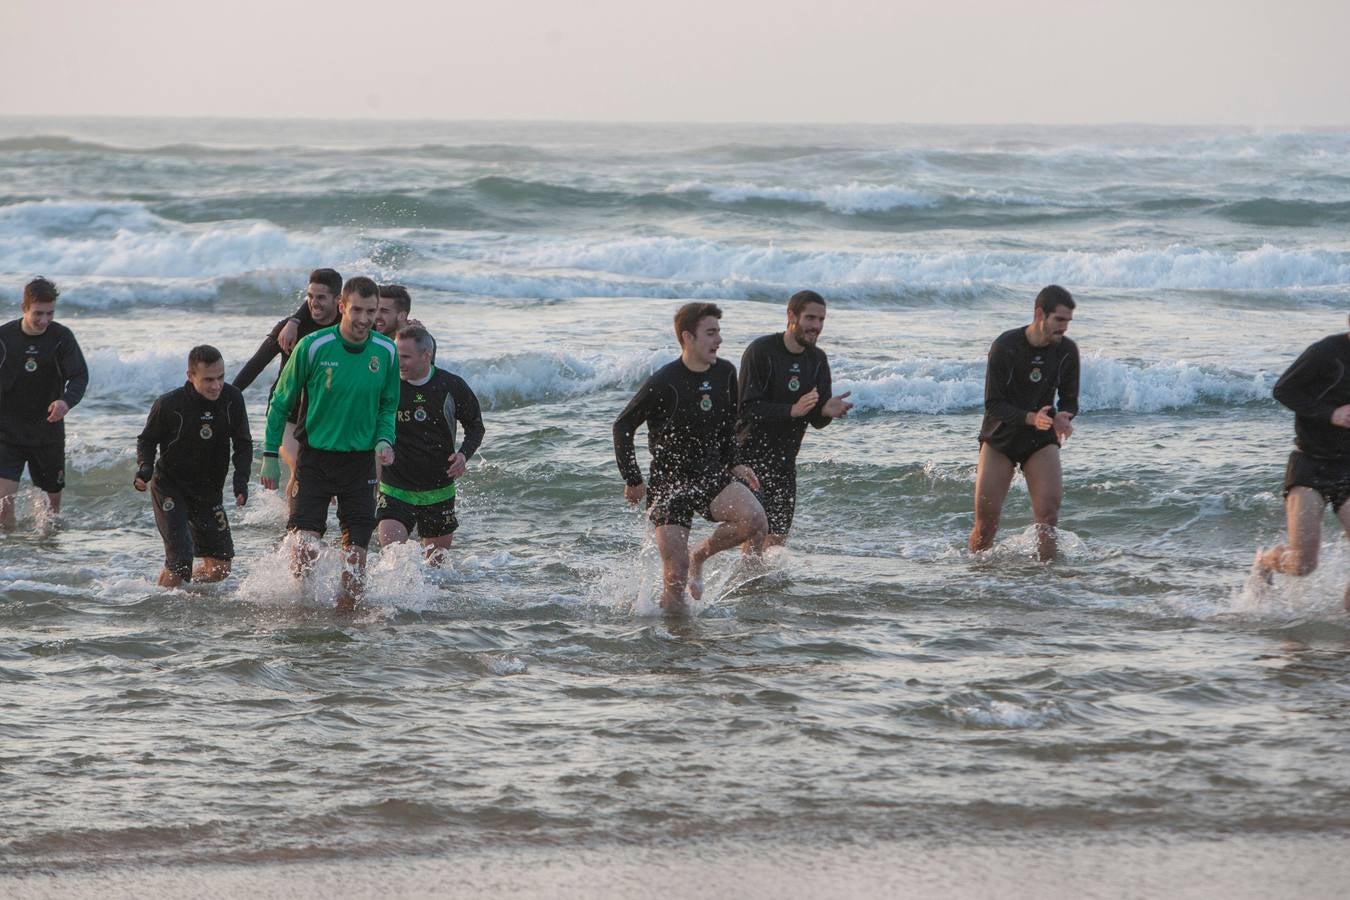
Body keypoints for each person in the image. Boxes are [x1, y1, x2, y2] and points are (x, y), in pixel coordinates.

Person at [613, 302, 766, 614]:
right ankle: (676, 648)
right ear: (688, 337)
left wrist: (734, 461)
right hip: (669, 483)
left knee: (755, 520)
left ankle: (701, 555)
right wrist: (633, 478)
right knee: (675, 574)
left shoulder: (725, 373)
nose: (719, 340)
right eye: (711, 333)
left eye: (719, 332)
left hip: (708, 474)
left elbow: (727, 425)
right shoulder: (663, 382)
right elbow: (623, 426)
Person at [259, 276, 399, 612]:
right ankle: (303, 608)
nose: (365, 319)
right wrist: (269, 455)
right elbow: (280, 402)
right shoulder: (314, 346)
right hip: (315, 458)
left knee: (355, 560)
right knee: (305, 547)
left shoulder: (386, 351)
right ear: (342, 307)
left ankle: (346, 624)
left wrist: (384, 439)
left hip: (360, 463)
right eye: (357, 310)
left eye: (371, 311)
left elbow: (388, 405)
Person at [969, 285, 1079, 561]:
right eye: (1059, 320)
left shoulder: (1067, 350)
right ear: (1040, 313)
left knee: (1048, 520)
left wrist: (1064, 416)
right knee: (986, 526)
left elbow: (1069, 398)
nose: (1064, 327)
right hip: (1000, 438)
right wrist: (1032, 418)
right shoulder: (1006, 346)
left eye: (1068, 321)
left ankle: (1046, 585)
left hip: (1040, 441)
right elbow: (993, 404)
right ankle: (975, 583)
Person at [736, 290, 853, 548]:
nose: (816, 326)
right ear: (791, 315)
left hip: (785, 462)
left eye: (821, 319)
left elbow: (816, 420)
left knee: (776, 540)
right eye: (810, 318)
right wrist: (791, 410)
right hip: (749, 459)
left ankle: (760, 587)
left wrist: (825, 411)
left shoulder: (817, 359)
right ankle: (742, 583)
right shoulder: (761, 351)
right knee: (755, 533)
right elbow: (745, 408)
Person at [135, 345, 251, 587]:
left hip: (208, 492)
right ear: (190, 376)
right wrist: (145, 469)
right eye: (208, 379)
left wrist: (241, 481)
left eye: (220, 377)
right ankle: (163, 604)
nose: (216, 385)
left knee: (220, 569)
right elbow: (146, 440)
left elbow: (243, 443)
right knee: (180, 563)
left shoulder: (232, 399)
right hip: (171, 488)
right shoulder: (169, 404)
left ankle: (176, 587)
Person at [1254, 318, 1350, 609]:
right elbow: (1283, 390)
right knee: (1303, 564)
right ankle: (1265, 562)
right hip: (1310, 464)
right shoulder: (1327, 351)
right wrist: (1330, 413)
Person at [376, 325, 484, 563]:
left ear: (426, 355)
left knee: (436, 570)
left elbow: (476, 426)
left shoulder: (451, 386)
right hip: (395, 487)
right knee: (392, 560)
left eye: (405, 356)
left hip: (439, 488)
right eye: (396, 355)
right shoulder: (386, 384)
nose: (398, 362)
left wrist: (463, 455)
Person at [233, 268, 342, 495]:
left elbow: (374, 313)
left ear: (338, 299)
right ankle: (293, 525)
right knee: (302, 471)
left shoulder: (347, 328)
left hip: (326, 416)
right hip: (288, 414)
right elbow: (256, 365)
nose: (314, 303)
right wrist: (228, 396)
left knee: (327, 478)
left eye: (321, 297)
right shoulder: (290, 328)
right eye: (310, 297)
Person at [0, 277, 89, 529]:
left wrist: (65, 402)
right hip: (6, 434)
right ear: (23, 308)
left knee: (50, 516)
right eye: (38, 313)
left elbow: (80, 376)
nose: (44, 320)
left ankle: (47, 559)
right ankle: (11, 564)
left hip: (47, 434)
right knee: (2, 510)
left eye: (50, 313)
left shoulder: (61, 338)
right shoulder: (4, 338)